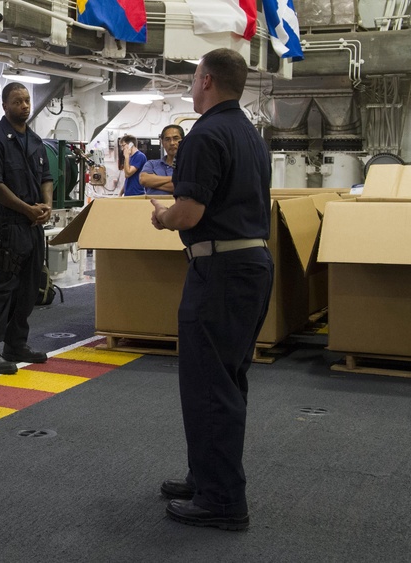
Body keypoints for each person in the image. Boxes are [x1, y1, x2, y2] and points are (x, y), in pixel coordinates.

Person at [149, 48, 274, 531]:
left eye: (195, 76)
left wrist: (163, 219)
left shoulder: (206, 135)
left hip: (220, 270)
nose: (192, 83)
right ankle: (208, 477)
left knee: (208, 383)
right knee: (226, 379)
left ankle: (222, 500)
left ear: (206, 80)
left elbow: (190, 213)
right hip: (250, 265)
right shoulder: (248, 133)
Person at [0, 82, 53, 374]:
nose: (25, 106)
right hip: (7, 226)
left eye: (27, 100)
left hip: (32, 225)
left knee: (29, 289)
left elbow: (46, 177)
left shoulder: (35, 140)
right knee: (1, 289)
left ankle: (16, 344)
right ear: (5, 105)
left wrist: (46, 205)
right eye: (18, 101)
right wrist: (26, 209)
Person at [140, 124, 183, 195]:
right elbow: (144, 180)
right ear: (162, 143)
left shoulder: (189, 166)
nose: (172, 143)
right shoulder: (151, 164)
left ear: (183, 141)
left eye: (175, 138)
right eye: (167, 139)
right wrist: (174, 179)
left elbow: (182, 188)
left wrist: (153, 183)